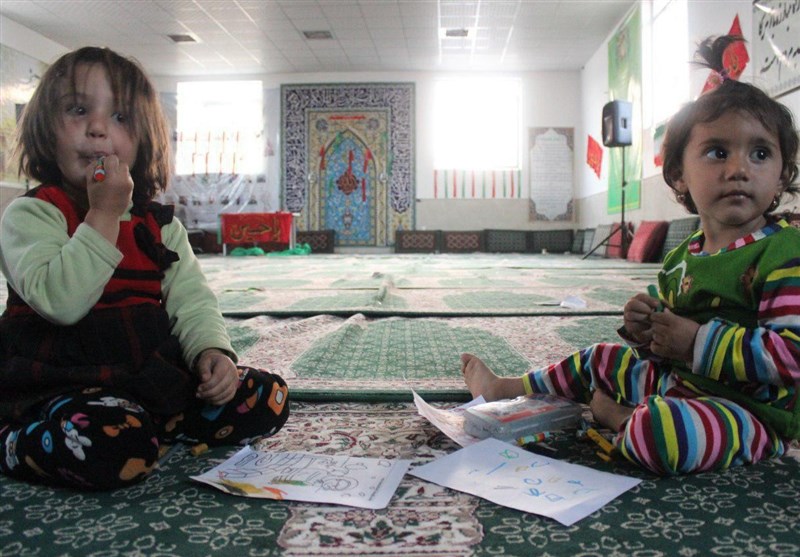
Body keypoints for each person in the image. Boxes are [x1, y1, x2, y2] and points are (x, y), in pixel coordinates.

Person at [462, 35, 800, 475]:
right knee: (600, 358)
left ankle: (616, 417)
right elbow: (664, 348)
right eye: (718, 152)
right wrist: (646, 330)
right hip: (681, 384)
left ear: (782, 175)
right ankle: (508, 388)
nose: (739, 169)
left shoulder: (784, 251)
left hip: (750, 413)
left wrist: (694, 341)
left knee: (664, 433)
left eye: (760, 153)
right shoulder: (682, 257)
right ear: (678, 174)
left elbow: (791, 357)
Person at [0, 47, 289, 490]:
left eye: (120, 117)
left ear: (142, 142)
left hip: (144, 376)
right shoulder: (33, 214)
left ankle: (157, 424)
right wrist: (103, 213)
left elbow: (191, 301)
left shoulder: (159, 225)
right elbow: (62, 301)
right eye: (79, 110)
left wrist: (211, 354)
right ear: (46, 129)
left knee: (266, 397)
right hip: (61, 382)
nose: (98, 128)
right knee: (112, 446)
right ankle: (13, 440)